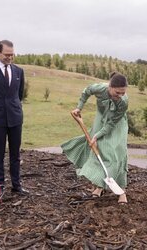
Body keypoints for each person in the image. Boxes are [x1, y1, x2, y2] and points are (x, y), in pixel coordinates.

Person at [61, 72, 129, 204]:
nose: (120, 96)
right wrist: (79, 107)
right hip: (101, 119)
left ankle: (122, 191)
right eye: (118, 92)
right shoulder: (100, 88)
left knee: (117, 154)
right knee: (98, 150)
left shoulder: (123, 101)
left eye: (123, 93)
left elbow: (111, 124)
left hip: (116, 125)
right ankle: (99, 187)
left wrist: (97, 135)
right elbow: (86, 91)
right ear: (110, 86)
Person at [0, 40, 29, 198]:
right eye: (6, 55)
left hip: (15, 118)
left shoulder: (19, 71)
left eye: (12, 55)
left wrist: (16, 109)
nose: (10, 58)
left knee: (15, 153)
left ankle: (17, 185)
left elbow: (19, 95)